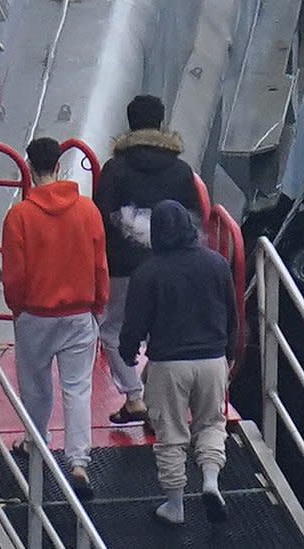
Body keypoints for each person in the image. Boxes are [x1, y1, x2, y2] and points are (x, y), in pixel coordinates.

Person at [1, 137, 109, 498]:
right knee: (77, 388)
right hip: (79, 313)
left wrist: (17, 309)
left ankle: (37, 440)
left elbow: (14, 274)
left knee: (35, 385)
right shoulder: (87, 211)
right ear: (60, 167)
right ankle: (78, 461)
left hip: (36, 313)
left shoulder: (19, 215)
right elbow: (99, 265)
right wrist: (98, 304)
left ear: (30, 168)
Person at [119, 200, 237, 526]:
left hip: (169, 365)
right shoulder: (216, 264)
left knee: (170, 434)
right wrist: (229, 352)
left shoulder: (148, 272)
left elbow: (134, 323)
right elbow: (232, 312)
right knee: (212, 424)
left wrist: (128, 352)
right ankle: (211, 482)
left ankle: (175, 505)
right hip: (212, 358)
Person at [93, 94, 201, 426]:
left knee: (112, 329)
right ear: (160, 122)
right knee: (164, 330)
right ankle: (159, 399)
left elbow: (101, 217)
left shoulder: (115, 168)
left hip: (124, 267)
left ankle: (134, 397)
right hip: (170, 266)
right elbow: (194, 217)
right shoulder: (182, 170)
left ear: (130, 122)